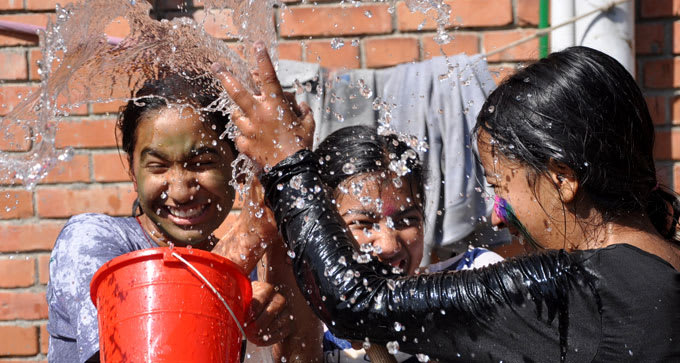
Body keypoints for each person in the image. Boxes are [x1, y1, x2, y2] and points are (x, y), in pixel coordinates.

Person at [214, 43, 680, 362]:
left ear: (562, 178)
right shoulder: (661, 269)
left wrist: (289, 167)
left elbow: (357, 301)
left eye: (502, 187)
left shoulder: (586, 289)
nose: (504, 216)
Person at [46, 74, 292, 363]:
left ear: (237, 166)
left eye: (202, 163)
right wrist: (247, 238)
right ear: (132, 172)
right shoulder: (90, 242)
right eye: (158, 166)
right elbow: (151, 352)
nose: (180, 191)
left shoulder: (246, 276)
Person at [314, 126, 502, 362]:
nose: (390, 245)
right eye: (364, 223)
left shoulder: (476, 279)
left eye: (406, 220)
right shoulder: (313, 328)